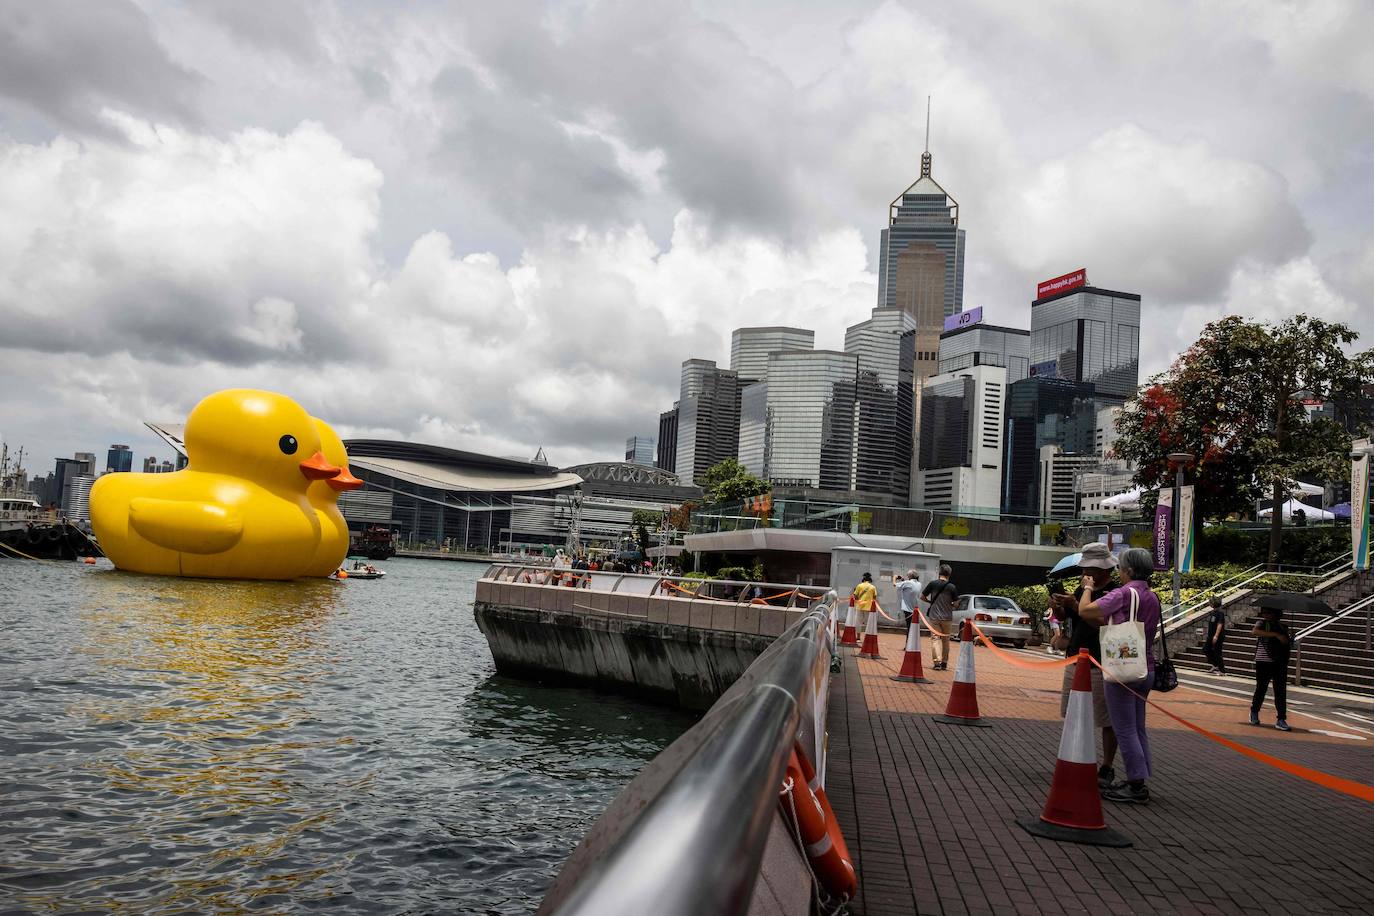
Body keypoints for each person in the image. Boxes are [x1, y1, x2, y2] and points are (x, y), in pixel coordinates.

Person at [1077, 547, 1161, 805]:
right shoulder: (1152, 596)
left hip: (1123, 668)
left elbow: (1085, 611)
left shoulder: (1123, 594)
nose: (1119, 572)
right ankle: (1140, 777)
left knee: (1124, 729)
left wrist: (1088, 587)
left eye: (1121, 568)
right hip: (1145, 667)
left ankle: (1136, 784)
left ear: (1130, 570)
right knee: (1137, 727)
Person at [1049, 542, 1119, 788]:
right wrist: (1059, 606)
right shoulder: (1082, 590)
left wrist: (1074, 605)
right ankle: (1075, 757)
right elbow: (1066, 618)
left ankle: (1107, 766)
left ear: (1103, 569)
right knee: (1071, 713)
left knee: (1106, 718)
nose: (1085, 572)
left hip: (1101, 660)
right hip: (1076, 656)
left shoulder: (1115, 592)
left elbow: (1101, 623)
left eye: (1089, 567)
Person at [1251, 606, 1292, 731]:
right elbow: (1255, 632)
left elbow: (1285, 643)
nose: (1266, 615)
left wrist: (1289, 639)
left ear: (1276, 613)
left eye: (1269, 612)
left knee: (1280, 690)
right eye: (1264, 612)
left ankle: (1281, 719)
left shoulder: (1282, 627)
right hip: (1263, 661)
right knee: (1261, 688)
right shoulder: (1262, 623)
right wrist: (1275, 635)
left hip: (1279, 662)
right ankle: (1254, 712)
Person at [921, 565, 957, 670]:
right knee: (946, 640)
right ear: (949, 574)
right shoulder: (952, 587)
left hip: (934, 616)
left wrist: (930, 602)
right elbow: (956, 603)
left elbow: (922, 596)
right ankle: (944, 663)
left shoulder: (933, 584)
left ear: (939, 573)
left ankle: (937, 663)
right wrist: (951, 604)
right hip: (947, 617)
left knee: (935, 638)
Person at [1205, 596, 1227, 675]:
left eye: (1210, 602)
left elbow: (1220, 624)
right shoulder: (1213, 613)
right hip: (1211, 636)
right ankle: (1215, 665)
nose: (1209, 603)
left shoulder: (1220, 613)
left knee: (1217, 652)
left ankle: (1222, 671)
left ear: (1213, 603)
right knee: (1206, 649)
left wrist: (1216, 636)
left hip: (1217, 636)